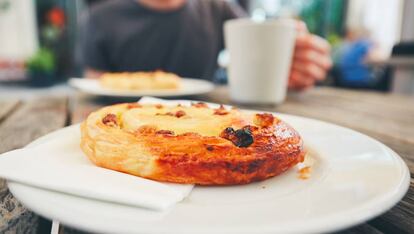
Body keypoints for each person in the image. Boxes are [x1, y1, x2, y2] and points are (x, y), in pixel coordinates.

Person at [82, 0, 332, 90]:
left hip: (208, 123)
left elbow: (257, 46)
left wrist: (291, 59)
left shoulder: (216, 7)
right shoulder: (100, 16)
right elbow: (94, 83)